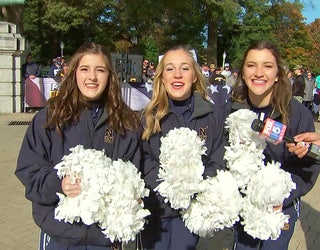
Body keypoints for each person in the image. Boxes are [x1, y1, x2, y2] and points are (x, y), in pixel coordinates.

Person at [15, 42, 142, 250]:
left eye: (99, 70)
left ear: (109, 76)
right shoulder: (49, 117)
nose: (92, 77)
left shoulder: (126, 122)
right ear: (74, 73)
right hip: (61, 236)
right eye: (85, 69)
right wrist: (59, 183)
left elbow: (136, 173)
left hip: (106, 238)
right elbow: (28, 170)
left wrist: (131, 195)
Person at [228, 41, 320, 250]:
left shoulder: (297, 114)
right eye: (251, 65)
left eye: (268, 66)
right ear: (242, 72)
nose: (259, 72)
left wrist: (284, 195)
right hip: (244, 206)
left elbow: (308, 168)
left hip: (281, 207)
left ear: (278, 74)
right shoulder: (230, 110)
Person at [140, 45, 227, 250]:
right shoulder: (146, 117)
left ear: (195, 76)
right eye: (170, 69)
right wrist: (168, 189)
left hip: (192, 209)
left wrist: (196, 186)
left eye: (185, 68)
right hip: (156, 209)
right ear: (161, 77)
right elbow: (143, 158)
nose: (177, 75)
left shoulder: (212, 115)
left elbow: (218, 155)